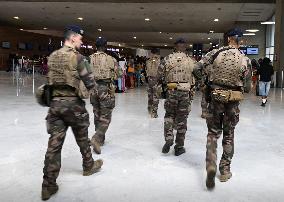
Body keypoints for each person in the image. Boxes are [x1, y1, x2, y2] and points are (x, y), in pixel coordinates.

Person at [41, 25, 103, 200]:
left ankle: (48, 185)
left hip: (55, 106)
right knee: (83, 139)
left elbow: (49, 81)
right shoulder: (78, 57)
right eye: (80, 38)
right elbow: (90, 83)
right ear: (73, 37)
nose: (82, 41)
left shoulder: (52, 56)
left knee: (53, 146)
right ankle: (88, 166)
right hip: (73, 106)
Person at [194, 28, 251, 190]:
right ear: (241, 41)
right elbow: (246, 88)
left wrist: (205, 85)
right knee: (229, 134)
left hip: (215, 98)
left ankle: (210, 165)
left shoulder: (215, 53)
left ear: (228, 40)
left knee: (212, 133)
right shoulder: (245, 59)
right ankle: (225, 170)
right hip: (233, 102)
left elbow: (196, 68)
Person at [157, 38, 195, 156]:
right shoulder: (191, 60)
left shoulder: (167, 59)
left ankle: (168, 138)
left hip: (171, 91)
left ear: (175, 46)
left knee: (169, 115)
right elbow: (197, 77)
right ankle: (179, 147)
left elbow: (159, 76)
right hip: (185, 93)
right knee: (182, 119)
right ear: (185, 47)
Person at [89, 37, 117, 154]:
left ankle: (100, 139)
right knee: (106, 116)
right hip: (105, 89)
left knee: (97, 113)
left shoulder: (88, 58)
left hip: (93, 89)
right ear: (105, 46)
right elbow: (117, 75)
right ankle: (96, 137)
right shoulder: (111, 59)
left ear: (96, 46)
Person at [145, 48, 161, 118]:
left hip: (157, 80)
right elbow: (147, 70)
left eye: (151, 53)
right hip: (149, 80)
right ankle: (149, 108)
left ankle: (154, 112)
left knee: (155, 97)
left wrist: (155, 59)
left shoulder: (160, 62)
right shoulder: (148, 61)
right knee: (150, 96)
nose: (150, 55)